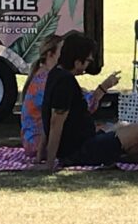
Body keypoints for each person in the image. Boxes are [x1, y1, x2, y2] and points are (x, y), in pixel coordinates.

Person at [41, 32, 138, 170]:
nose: (87, 67)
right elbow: (55, 122)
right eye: (87, 62)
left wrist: (40, 155)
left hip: (87, 139)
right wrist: (49, 162)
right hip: (80, 150)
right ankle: (137, 150)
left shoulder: (56, 75)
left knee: (123, 126)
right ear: (78, 62)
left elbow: (47, 120)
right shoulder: (65, 82)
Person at [19, 34, 120, 162]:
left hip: (36, 140)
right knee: (114, 130)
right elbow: (83, 108)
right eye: (63, 51)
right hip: (41, 143)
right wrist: (103, 87)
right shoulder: (51, 79)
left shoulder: (47, 76)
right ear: (50, 54)